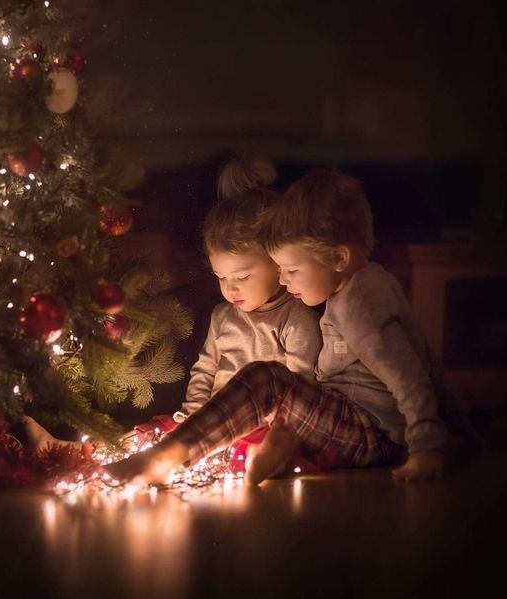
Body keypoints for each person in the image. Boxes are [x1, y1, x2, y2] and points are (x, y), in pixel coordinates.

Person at [103, 169, 458, 487]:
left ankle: (171, 455)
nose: (285, 281)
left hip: (375, 434)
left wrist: (428, 447)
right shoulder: (354, 291)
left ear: (338, 258)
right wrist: (464, 435)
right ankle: (252, 451)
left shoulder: (362, 304)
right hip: (351, 423)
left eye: (291, 270)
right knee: (269, 386)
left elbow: (409, 375)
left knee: (269, 379)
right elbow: (427, 362)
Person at [23, 158, 323, 473]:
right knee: (152, 435)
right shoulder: (224, 317)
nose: (231, 288)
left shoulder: (296, 320)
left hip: (259, 432)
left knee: (221, 455)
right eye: (221, 277)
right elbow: (205, 370)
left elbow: (300, 393)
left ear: (278, 262)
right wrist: (193, 416)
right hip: (206, 426)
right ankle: (71, 453)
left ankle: (138, 465)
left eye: (242, 277)